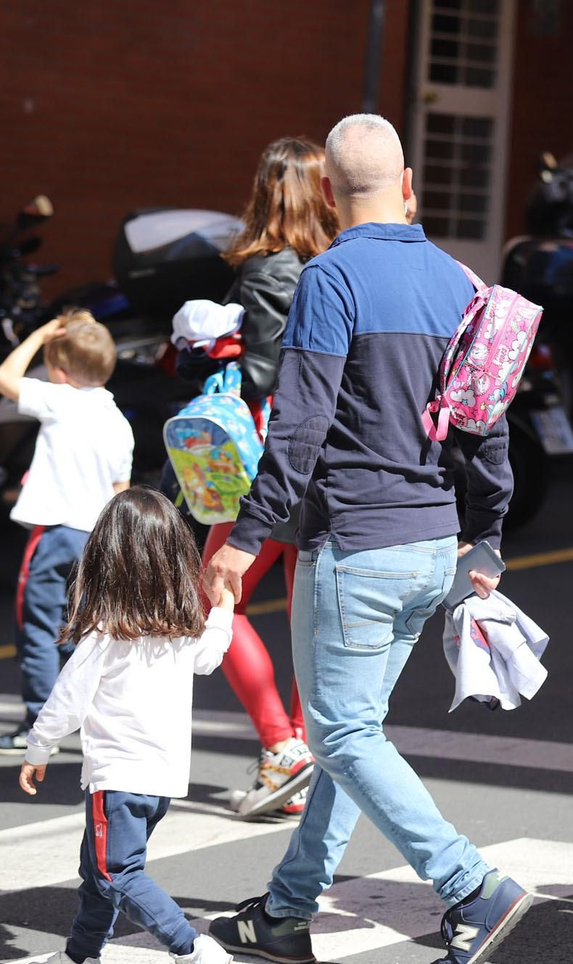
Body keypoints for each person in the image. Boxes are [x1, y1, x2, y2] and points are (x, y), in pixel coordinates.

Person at [202, 113, 530, 964]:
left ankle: (473, 887)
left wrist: (246, 535)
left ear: (324, 192)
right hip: (432, 545)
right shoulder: (463, 281)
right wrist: (488, 534)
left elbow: (301, 425)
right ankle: (285, 911)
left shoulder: (330, 277)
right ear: (411, 183)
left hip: (355, 543)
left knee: (343, 734)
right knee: (357, 736)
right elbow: (486, 424)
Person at [17, 487, 235, 964]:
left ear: (106, 562)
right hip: (160, 780)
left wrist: (38, 749)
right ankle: (78, 963)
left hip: (117, 778)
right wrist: (224, 609)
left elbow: (67, 702)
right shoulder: (180, 633)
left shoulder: (104, 635)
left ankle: (191, 950)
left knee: (116, 871)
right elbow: (210, 655)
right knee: (98, 871)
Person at [200, 136, 339, 819]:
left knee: (215, 598)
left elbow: (265, 374)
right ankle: (299, 755)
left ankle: (281, 750)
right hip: (332, 461)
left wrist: (214, 345)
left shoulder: (268, 270)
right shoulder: (337, 262)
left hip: (272, 460)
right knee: (304, 618)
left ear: (266, 191)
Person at [0, 311, 133, 756]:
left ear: (61, 372)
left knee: (38, 630)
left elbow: (2, 377)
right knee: (85, 630)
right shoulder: (118, 421)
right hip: (95, 540)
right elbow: (120, 492)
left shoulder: (58, 400)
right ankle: (85, 715)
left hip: (52, 535)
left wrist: (39, 334)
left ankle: (38, 722)